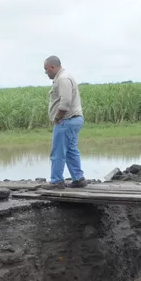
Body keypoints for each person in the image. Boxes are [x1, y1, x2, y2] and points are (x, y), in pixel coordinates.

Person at [44, 56, 86, 190]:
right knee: (71, 151)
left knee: (58, 152)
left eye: (46, 69)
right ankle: (78, 179)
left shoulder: (62, 79)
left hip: (66, 120)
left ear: (52, 67)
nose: (46, 72)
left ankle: (56, 181)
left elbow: (65, 102)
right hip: (73, 119)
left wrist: (57, 118)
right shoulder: (65, 77)